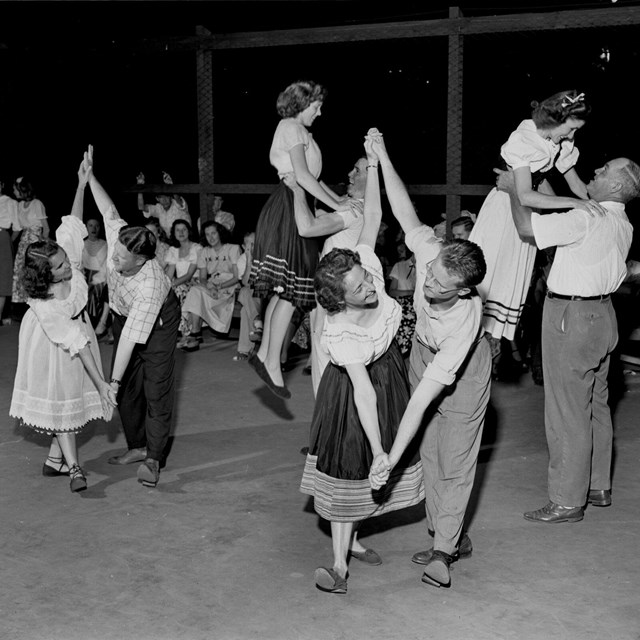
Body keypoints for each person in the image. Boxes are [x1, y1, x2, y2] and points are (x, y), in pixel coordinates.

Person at [299, 131, 424, 595]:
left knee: (376, 468)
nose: (371, 288)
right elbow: (362, 392)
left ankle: (349, 544)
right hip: (354, 388)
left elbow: (372, 214)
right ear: (339, 300)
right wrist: (377, 450)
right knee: (351, 465)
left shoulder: (364, 266)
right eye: (360, 290)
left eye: (365, 279)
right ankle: (338, 565)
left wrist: (373, 162)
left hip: (388, 369)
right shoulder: (341, 332)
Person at [368, 131, 491, 591]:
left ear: (462, 289)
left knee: (456, 457)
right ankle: (449, 533)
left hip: (463, 369)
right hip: (421, 352)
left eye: (440, 284)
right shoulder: (432, 253)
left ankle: (443, 552)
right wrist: (382, 153)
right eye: (430, 273)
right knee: (431, 454)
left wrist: (388, 462)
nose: (428, 283)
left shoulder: (464, 323)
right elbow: (403, 209)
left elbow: (417, 406)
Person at [496, 157, 640, 523]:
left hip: (570, 318)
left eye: (604, 170)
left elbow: (528, 227)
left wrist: (516, 188)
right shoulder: (620, 221)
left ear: (616, 186)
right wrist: (543, 177)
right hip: (604, 317)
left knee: (566, 412)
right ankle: (597, 485)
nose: (595, 172)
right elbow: (561, 206)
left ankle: (566, 500)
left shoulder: (586, 218)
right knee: (596, 405)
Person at [468, 90, 605, 364]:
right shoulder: (525, 138)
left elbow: (576, 184)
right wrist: (573, 205)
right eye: (570, 128)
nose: (570, 136)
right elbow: (524, 194)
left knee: (508, 286)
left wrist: (599, 207)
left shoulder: (561, 140)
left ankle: (487, 353)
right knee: (487, 281)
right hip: (505, 210)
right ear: (556, 118)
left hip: (527, 213)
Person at [9, 155, 116, 493]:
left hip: (79, 334)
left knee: (73, 402)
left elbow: (71, 223)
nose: (68, 265)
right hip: (52, 342)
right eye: (59, 267)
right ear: (45, 276)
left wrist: (82, 184)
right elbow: (73, 340)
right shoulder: (45, 306)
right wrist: (101, 384)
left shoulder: (64, 256)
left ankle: (55, 460)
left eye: (62, 259)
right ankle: (74, 470)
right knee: (62, 405)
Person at [86, 146, 181, 488]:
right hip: (123, 314)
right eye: (116, 253)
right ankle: (137, 446)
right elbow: (108, 209)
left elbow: (129, 339)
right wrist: (90, 177)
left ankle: (153, 459)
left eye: (122, 260)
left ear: (141, 261)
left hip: (158, 323)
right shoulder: (121, 239)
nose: (113, 260)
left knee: (156, 389)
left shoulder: (150, 285)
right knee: (127, 388)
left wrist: (109, 382)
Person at [249, 79, 347, 399]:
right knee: (293, 289)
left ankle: (266, 355)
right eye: (316, 107)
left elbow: (311, 181)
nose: (319, 113)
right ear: (302, 103)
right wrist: (341, 205)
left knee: (287, 288)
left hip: (296, 204)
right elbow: (303, 177)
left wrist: (338, 202)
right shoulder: (290, 127)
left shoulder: (300, 131)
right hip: (288, 205)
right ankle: (272, 360)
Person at [283, 155, 368, 395]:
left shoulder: (355, 211)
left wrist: (297, 190)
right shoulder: (352, 205)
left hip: (335, 293)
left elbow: (307, 227)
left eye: (358, 171)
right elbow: (322, 198)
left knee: (325, 354)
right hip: (336, 291)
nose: (350, 175)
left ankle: (329, 417)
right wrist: (306, 175)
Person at [181, 220, 241, 352]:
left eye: (214, 233)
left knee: (196, 292)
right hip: (212, 285)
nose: (211, 237)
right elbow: (203, 277)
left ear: (220, 233)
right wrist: (210, 286)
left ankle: (195, 335)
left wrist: (218, 287)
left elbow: (237, 277)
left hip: (229, 285)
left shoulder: (233, 248)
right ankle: (196, 332)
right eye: (207, 234)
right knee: (195, 290)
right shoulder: (204, 252)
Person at [163, 219, 201, 347]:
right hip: (180, 283)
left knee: (179, 290)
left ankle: (187, 335)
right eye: (177, 230)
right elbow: (170, 272)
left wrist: (173, 284)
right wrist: (165, 285)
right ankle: (169, 333)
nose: (181, 232)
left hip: (195, 282)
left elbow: (190, 274)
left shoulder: (196, 248)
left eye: (184, 229)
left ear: (189, 231)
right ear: (173, 233)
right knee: (167, 292)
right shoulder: (173, 250)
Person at [12, 176, 49, 305]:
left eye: (15, 189)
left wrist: (42, 246)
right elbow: (17, 228)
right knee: (21, 272)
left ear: (22, 189)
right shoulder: (19, 205)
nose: (14, 191)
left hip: (35, 242)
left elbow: (46, 229)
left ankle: (36, 302)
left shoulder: (37, 204)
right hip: (23, 243)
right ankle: (24, 304)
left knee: (34, 272)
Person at [234, 230, 262, 361]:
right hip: (251, 294)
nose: (253, 246)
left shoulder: (267, 255)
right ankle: (257, 321)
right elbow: (245, 282)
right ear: (244, 247)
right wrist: (249, 261)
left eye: (255, 243)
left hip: (265, 294)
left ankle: (245, 349)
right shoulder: (242, 259)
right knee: (245, 292)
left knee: (245, 300)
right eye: (249, 244)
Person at [137, 171, 190, 238]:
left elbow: (178, 199)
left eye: (167, 196)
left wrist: (171, 186)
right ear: (157, 199)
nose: (164, 200)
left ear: (171, 197)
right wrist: (140, 187)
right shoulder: (158, 208)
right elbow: (141, 207)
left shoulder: (178, 204)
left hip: (187, 240)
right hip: (171, 243)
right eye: (161, 197)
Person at [388, 236, 417, 356]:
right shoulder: (400, 266)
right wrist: (410, 293)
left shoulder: (427, 266)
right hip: (404, 308)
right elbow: (392, 292)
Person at [82, 216, 110, 336]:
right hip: (83, 276)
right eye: (90, 225)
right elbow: (79, 265)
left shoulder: (105, 244)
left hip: (100, 278)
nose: (94, 228)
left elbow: (105, 268)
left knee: (93, 293)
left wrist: (93, 282)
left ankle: (95, 327)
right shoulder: (81, 244)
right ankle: (83, 326)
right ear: (86, 227)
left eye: (97, 226)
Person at [0, 178, 21, 323]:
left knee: (2, 281)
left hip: (2, 237)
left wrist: (7, 242)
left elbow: (17, 227)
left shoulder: (10, 202)